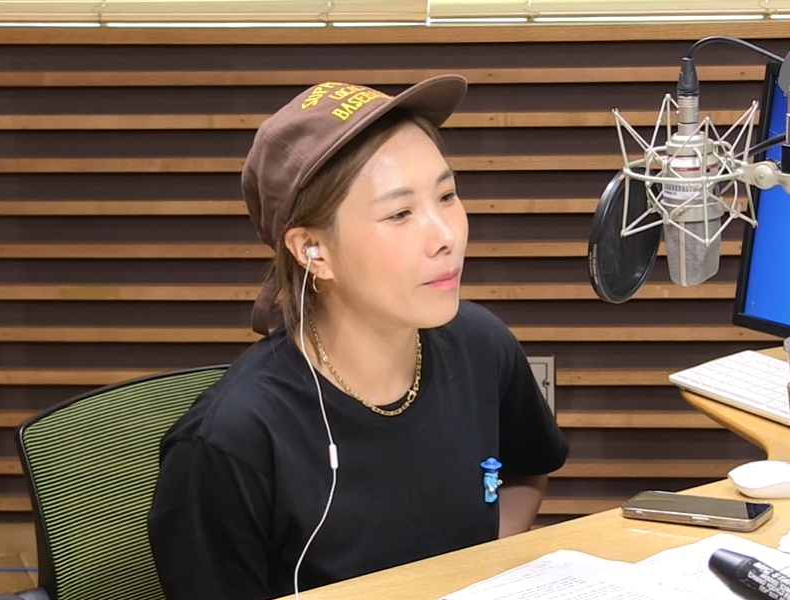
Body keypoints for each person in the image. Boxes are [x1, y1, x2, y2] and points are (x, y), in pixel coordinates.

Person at [146, 74, 569, 600]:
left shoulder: (482, 345)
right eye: (400, 213)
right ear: (313, 251)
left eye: (447, 195)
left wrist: (469, 581)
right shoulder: (229, 443)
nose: (446, 236)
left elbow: (526, 473)